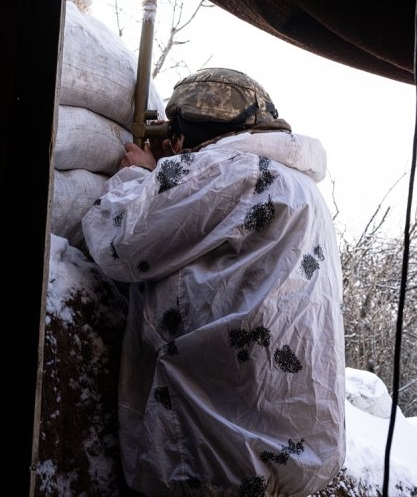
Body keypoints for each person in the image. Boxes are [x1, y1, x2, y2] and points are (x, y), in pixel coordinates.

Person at [81, 68, 346, 496]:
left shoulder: (226, 170)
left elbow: (124, 242)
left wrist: (142, 177)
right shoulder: (300, 185)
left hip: (219, 455)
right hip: (294, 451)